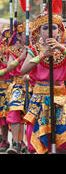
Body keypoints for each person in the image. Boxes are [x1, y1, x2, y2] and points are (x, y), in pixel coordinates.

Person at [21, 12, 66, 154]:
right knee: (40, 140)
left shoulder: (65, 49)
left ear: (59, 31)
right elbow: (24, 69)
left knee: (63, 140)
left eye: (53, 28)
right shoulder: (34, 49)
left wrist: (63, 49)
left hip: (60, 98)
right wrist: (42, 55)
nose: (50, 31)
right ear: (38, 31)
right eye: (45, 28)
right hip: (39, 98)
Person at [1, 22, 28, 154]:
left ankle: (30, 143)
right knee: (15, 111)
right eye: (25, 34)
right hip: (17, 84)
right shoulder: (13, 50)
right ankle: (17, 142)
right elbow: (10, 67)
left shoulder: (35, 48)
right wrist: (22, 57)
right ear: (19, 35)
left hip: (34, 85)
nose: (29, 37)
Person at [0, 30, 13, 152]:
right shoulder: (1, 50)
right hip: (2, 88)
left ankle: (18, 141)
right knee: (3, 117)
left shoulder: (22, 49)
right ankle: (4, 139)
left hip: (16, 85)